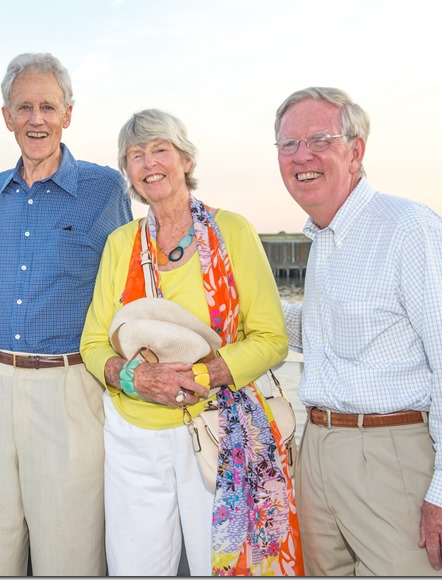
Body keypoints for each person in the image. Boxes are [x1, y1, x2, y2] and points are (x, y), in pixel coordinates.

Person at [274, 86, 442, 576]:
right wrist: (232, 307)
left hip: (390, 457)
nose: (302, 157)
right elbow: (319, 329)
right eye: (288, 145)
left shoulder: (408, 228)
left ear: (355, 152)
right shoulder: (324, 240)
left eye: (320, 140)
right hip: (315, 450)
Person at [80, 109, 302, 576]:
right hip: (133, 437)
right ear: (128, 172)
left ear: (185, 158)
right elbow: (94, 344)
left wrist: (195, 377)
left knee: (221, 566)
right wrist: (138, 378)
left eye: (159, 149)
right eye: (135, 155)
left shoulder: (233, 232)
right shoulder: (121, 243)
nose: (148, 163)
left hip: (221, 428)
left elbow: (271, 339)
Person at [0, 52, 132, 576]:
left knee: (69, 554)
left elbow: (125, 289)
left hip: (68, 388)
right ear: (6, 116)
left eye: (48, 107)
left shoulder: (105, 189)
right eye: (24, 107)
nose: (36, 119)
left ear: (68, 114)